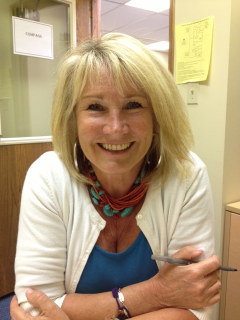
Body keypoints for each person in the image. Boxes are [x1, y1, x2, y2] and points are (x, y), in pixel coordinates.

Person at [12, 33, 220, 320]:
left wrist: (73, 312)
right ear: (73, 120)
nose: (115, 128)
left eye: (133, 105)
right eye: (95, 107)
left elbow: (194, 307)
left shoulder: (186, 175)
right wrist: (155, 294)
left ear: (158, 117)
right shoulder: (48, 177)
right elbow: (35, 306)